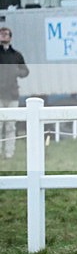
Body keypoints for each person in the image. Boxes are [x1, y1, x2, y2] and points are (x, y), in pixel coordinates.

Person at [0, 26, 29, 159]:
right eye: (1, 34)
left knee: (11, 126)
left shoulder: (16, 55)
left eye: (6, 34)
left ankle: (9, 153)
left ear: (10, 37)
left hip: (12, 95)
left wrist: (17, 72)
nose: (3, 36)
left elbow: (25, 71)